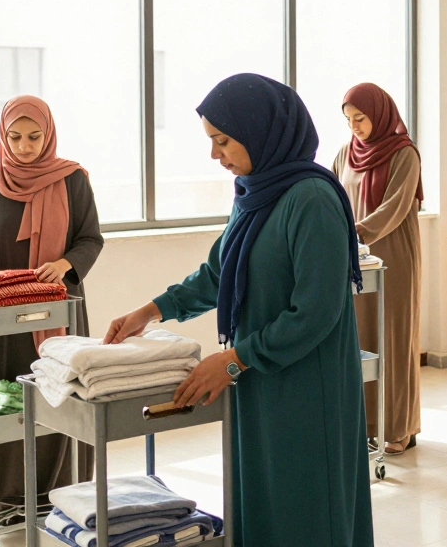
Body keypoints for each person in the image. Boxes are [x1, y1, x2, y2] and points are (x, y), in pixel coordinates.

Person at [104, 74, 374, 547]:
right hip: (261, 378)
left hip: (309, 388)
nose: (216, 155)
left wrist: (230, 361)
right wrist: (150, 311)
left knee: (309, 504)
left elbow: (315, 311)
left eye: (223, 140)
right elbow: (220, 271)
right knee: (263, 497)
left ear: (261, 131)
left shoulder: (312, 200)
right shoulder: (256, 193)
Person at [0, 96, 101, 512]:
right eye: (14, 137)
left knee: (61, 397)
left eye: (34, 137)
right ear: (2, 135)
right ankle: (1, 500)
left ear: (48, 134)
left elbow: (91, 239)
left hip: (57, 311)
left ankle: (64, 496)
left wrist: (66, 262)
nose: (24, 147)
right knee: (2, 398)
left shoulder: (72, 180)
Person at [333, 82, 423, 455]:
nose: (355, 126)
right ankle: (368, 425)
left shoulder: (404, 154)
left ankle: (400, 428)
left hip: (393, 256)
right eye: (349, 119)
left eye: (361, 118)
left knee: (393, 338)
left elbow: (397, 205)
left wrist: (356, 230)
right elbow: (331, 193)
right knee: (360, 340)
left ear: (380, 114)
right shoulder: (344, 154)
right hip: (354, 259)